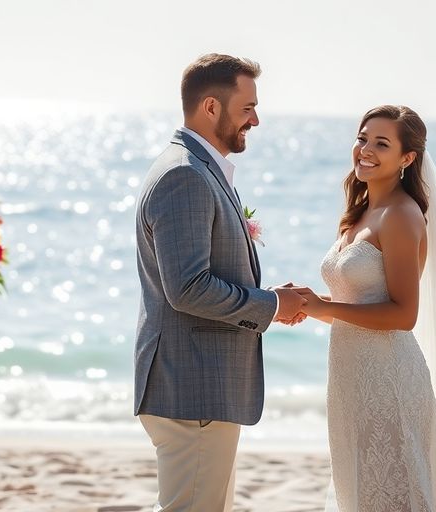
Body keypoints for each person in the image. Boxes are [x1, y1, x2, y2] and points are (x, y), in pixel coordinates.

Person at [133, 53, 307, 512]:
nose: (256, 119)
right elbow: (188, 287)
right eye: (247, 108)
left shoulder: (198, 169)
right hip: (194, 388)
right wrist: (271, 305)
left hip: (199, 387)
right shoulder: (185, 177)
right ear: (211, 107)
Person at [298, 105, 436, 511]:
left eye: (381, 143)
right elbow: (361, 301)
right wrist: (309, 304)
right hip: (350, 379)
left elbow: (404, 315)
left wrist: (325, 308)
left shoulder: (402, 216)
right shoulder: (360, 211)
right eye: (362, 138)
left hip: (388, 381)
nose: (365, 149)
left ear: (407, 159)